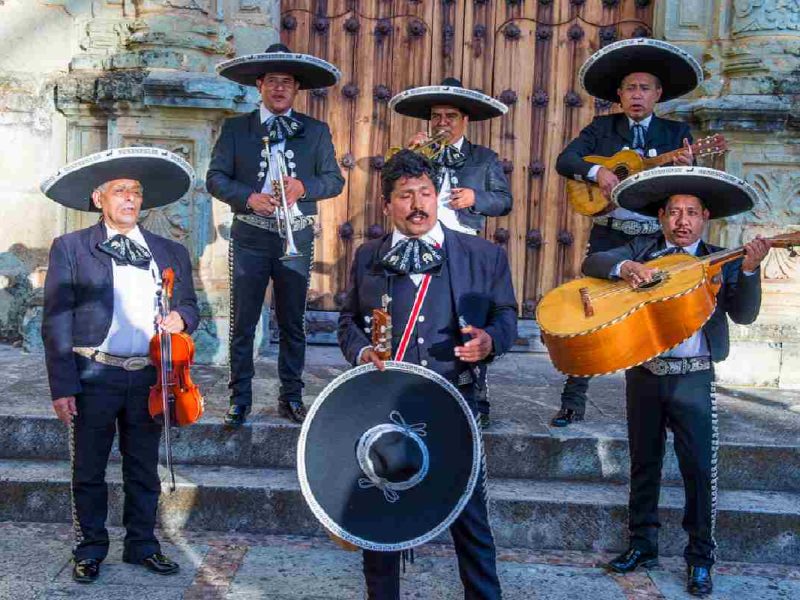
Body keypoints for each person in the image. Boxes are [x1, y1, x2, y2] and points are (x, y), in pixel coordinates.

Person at [337, 149, 517, 599]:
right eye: (404, 196)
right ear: (387, 206)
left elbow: (506, 315)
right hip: (384, 407)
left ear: (437, 197)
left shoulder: (482, 255)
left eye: (424, 193)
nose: (416, 204)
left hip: (455, 402)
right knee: (379, 517)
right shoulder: (367, 257)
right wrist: (360, 353)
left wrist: (491, 341)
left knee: (469, 516)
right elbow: (348, 322)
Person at [582, 167, 768, 597]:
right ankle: (642, 546)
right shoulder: (643, 250)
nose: (682, 221)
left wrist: (752, 270)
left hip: (694, 377)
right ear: (662, 218)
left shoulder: (722, 259)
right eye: (674, 213)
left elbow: (744, 315)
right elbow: (594, 261)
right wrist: (626, 265)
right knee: (643, 464)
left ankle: (700, 559)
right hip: (644, 374)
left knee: (698, 470)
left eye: (692, 213)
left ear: (705, 218)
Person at [40, 147, 199, 583]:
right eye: (120, 191)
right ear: (99, 200)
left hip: (148, 376)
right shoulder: (71, 248)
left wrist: (181, 317)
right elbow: (55, 320)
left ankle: (142, 545)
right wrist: (62, 385)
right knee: (89, 468)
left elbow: (189, 303)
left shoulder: (170, 251)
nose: (130, 198)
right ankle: (90, 548)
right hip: (94, 373)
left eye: (136, 191)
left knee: (143, 468)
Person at [552, 38, 702, 427]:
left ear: (658, 94)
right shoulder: (602, 128)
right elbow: (565, 160)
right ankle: (573, 401)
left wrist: (687, 164)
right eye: (631, 88)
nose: (637, 95)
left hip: (656, 237)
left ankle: (661, 402)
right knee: (589, 309)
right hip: (610, 233)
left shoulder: (676, 133)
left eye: (645, 88)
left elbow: (690, 187)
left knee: (658, 309)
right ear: (619, 94)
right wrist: (596, 171)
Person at [208, 43, 345, 427]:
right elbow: (215, 178)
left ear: (296, 88)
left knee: (292, 322)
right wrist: (248, 198)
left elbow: (335, 180)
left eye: (287, 82)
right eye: (272, 82)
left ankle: (291, 397)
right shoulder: (236, 129)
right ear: (260, 86)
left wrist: (304, 187)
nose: (279, 88)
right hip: (251, 235)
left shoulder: (316, 131)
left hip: (296, 237)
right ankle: (239, 399)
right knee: (243, 321)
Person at [389, 77, 512, 427]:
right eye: (437, 116)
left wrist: (477, 199)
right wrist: (407, 154)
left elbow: (505, 201)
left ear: (465, 121)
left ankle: (478, 392)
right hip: (421, 240)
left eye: (451, 117)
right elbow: (394, 183)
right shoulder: (419, 153)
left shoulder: (484, 158)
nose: (443, 123)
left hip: (464, 246)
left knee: (469, 317)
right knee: (426, 315)